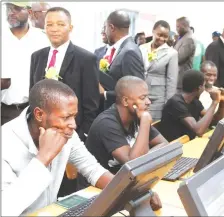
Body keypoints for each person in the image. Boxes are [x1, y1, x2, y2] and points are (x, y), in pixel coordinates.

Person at [2, 79, 114, 216]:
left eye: (74, 116)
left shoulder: (67, 134)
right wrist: (43, 158)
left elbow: (93, 170)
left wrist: (126, 189)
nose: (73, 124)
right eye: (66, 117)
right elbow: (5, 209)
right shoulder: (5, 142)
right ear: (39, 114)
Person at [77, 76, 168, 190]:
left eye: (147, 97)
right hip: (97, 190)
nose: (148, 102)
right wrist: (145, 122)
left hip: (125, 184)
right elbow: (134, 164)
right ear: (125, 101)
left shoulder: (136, 116)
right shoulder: (107, 123)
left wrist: (145, 155)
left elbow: (165, 145)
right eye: (143, 98)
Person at [30, 7, 99, 142]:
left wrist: (82, 135)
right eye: (49, 24)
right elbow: (32, 92)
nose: (54, 29)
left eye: (60, 24)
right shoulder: (37, 56)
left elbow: (91, 103)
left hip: (72, 133)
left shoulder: (86, 59)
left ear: (70, 27)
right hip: (41, 133)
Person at [1, 1, 49, 125]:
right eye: (8, 8)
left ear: (29, 12)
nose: (11, 12)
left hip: (34, 111)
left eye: (17, 8)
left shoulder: (43, 40)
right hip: (5, 111)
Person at [159, 70, 224, 142]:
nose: (204, 88)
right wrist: (214, 102)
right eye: (204, 86)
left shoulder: (195, 101)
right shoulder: (176, 103)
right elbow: (198, 131)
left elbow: (214, 121)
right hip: (173, 148)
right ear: (199, 87)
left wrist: (222, 102)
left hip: (187, 144)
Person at [100, 10, 145, 110]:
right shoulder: (119, 48)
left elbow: (135, 90)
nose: (104, 31)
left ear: (111, 27)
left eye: (105, 28)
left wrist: (105, 94)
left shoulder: (130, 51)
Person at [140, 20, 178, 121]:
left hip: (157, 99)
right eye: (159, 35)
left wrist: (168, 104)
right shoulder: (142, 48)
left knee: (152, 128)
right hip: (139, 96)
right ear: (153, 31)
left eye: (165, 36)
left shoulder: (171, 53)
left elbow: (172, 80)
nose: (162, 39)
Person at [174, 17, 196, 92]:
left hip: (181, 80)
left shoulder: (189, 39)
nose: (176, 29)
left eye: (178, 26)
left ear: (184, 26)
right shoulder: (183, 38)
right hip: (177, 79)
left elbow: (178, 58)